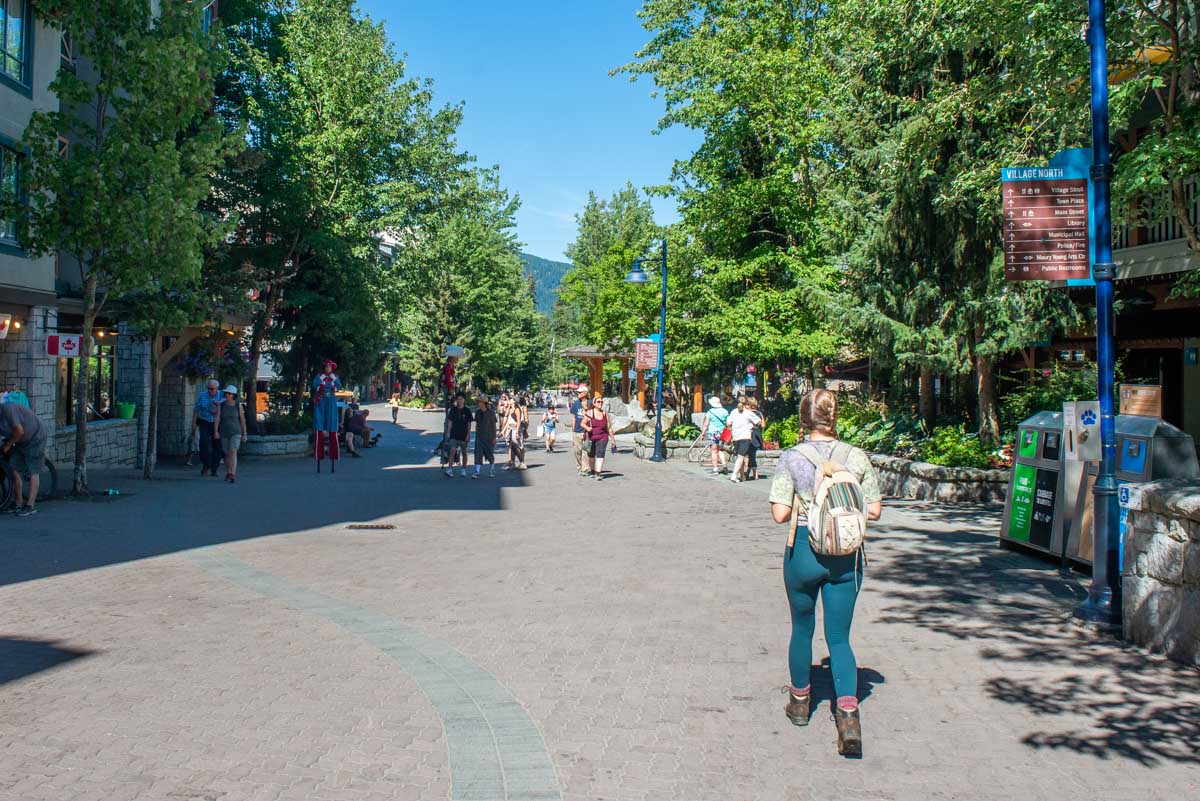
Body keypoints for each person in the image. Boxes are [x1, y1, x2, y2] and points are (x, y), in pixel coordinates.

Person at [767, 389, 882, 757]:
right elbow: (874, 510)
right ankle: (848, 715)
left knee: (802, 628)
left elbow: (780, 514)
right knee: (839, 638)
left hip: (803, 549)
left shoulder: (792, 457)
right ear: (835, 417)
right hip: (845, 555)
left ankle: (800, 702)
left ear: (804, 419)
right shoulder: (856, 456)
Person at [0, 401, 48, 516]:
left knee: (33, 470)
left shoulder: (9, 409)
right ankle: (18, 502)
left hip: (35, 437)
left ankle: (30, 506)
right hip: (19, 440)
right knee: (13, 468)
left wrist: (8, 444)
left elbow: (19, 431)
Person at [215, 385, 247, 483]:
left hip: (236, 431)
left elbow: (242, 419)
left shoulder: (238, 405)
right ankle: (228, 472)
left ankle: (233, 473)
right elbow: (217, 418)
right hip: (224, 432)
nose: (227, 395)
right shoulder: (221, 405)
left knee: (233, 451)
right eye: (226, 393)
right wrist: (215, 431)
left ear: (233, 395)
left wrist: (244, 433)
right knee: (226, 453)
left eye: (229, 394)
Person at [192, 379, 223, 477]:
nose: (210, 390)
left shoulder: (222, 395)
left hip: (217, 423)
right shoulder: (202, 395)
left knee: (217, 446)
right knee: (203, 444)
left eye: (212, 389)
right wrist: (193, 424)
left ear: (217, 388)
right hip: (204, 422)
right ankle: (206, 465)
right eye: (208, 388)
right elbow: (196, 410)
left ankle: (214, 469)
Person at [727, 396, 762, 483]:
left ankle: (742, 476)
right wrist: (751, 424)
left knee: (739, 456)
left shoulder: (733, 412)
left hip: (735, 436)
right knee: (741, 456)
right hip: (745, 436)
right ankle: (734, 475)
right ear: (747, 403)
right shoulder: (748, 413)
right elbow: (759, 422)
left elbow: (728, 423)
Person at [582, 394, 611, 479]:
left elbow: (608, 427)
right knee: (591, 455)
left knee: (600, 454)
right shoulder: (590, 413)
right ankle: (592, 470)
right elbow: (582, 423)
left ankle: (598, 474)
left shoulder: (605, 413)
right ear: (594, 403)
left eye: (602, 402)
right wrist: (588, 428)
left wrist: (613, 440)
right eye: (598, 402)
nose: (600, 403)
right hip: (591, 437)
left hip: (603, 437)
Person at [444, 392, 473, 477]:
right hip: (454, 434)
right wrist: (448, 432)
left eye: (461, 399)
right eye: (458, 399)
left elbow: (469, 424)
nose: (459, 401)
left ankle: (463, 469)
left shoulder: (467, 411)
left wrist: (468, 434)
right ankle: (450, 469)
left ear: (464, 400)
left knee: (464, 452)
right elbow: (450, 422)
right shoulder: (453, 410)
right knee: (452, 451)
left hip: (463, 434)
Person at [703, 396, 730, 475]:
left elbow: (706, 424)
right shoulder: (725, 411)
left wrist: (703, 433)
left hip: (713, 433)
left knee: (714, 451)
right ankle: (724, 464)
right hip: (722, 433)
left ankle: (715, 469)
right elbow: (728, 423)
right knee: (720, 449)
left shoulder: (710, 412)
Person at [473, 394, 498, 478]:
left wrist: (494, 437)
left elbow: (494, 426)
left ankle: (492, 469)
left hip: (489, 436)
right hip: (479, 436)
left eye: (480, 402)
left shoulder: (491, 413)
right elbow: (477, 424)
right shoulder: (477, 412)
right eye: (478, 402)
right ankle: (477, 471)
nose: (478, 403)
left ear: (484, 403)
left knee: (489, 453)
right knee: (478, 454)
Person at [500, 397, 527, 470]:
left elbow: (518, 421)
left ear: (514, 401)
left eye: (511, 399)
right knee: (512, 446)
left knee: (517, 446)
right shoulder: (510, 409)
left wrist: (517, 432)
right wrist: (503, 431)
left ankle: (522, 462)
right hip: (510, 428)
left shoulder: (517, 409)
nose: (509, 400)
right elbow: (508, 420)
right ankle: (513, 463)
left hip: (516, 429)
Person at [569, 385, 591, 475]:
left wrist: (585, 408)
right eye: (577, 392)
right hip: (577, 431)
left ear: (585, 393)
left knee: (585, 451)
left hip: (587, 431)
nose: (578, 393)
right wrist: (573, 430)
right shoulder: (576, 403)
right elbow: (574, 417)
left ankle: (585, 468)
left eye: (580, 392)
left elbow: (592, 416)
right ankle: (579, 467)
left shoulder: (590, 403)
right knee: (577, 451)